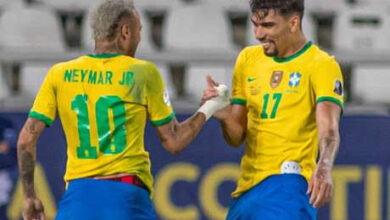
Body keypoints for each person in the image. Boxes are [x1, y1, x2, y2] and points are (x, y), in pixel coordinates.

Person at [16, 0, 229, 219]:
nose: (139, 38)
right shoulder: (142, 73)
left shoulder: (59, 74)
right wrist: (211, 105)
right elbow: (174, 141)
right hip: (125, 199)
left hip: (77, 199)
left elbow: (25, 140)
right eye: (139, 31)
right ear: (126, 32)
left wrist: (29, 196)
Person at [202, 0, 344, 219]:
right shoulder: (247, 59)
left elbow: (329, 131)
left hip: (288, 184)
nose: (258, 34)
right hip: (247, 189)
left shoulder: (321, 64)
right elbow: (236, 137)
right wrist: (223, 115)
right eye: (255, 25)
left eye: (268, 25)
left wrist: (324, 167)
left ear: (293, 23)